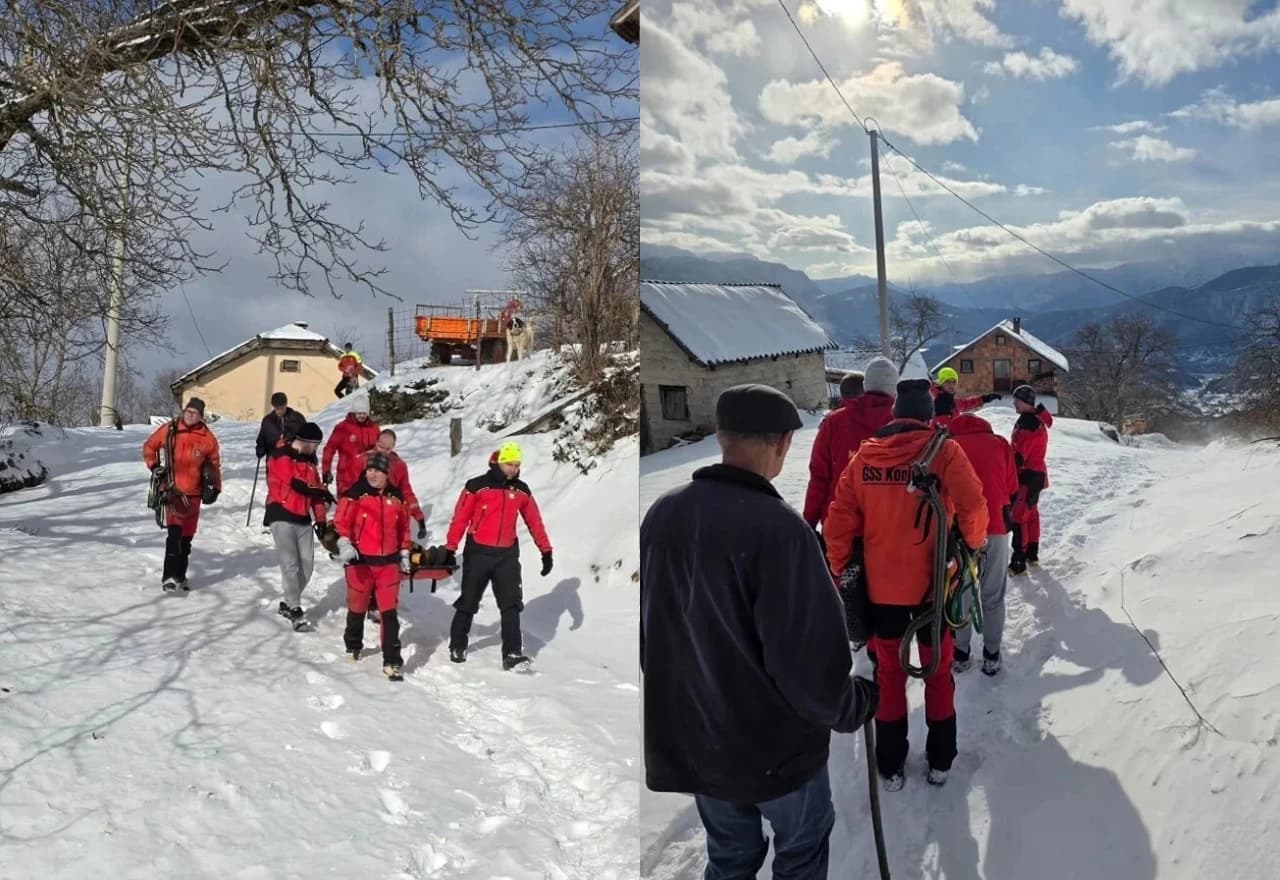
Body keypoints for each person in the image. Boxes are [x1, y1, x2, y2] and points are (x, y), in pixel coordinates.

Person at [641, 384, 878, 878]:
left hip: (701, 743)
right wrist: (856, 702)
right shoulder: (782, 532)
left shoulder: (663, 514)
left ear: (722, 436)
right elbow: (807, 667)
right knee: (801, 852)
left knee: (730, 858)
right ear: (780, 442)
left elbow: (653, 633)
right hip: (776, 754)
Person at [823, 378, 987, 789]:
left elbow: (837, 523)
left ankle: (891, 764)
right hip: (935, 587)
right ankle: (940, 761)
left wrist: (843, 572)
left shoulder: (864, 458)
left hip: (882, 592)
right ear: (929, 416)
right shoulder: (945, 451)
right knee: (938, 672)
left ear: (895, 414)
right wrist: (973, 547)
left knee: (890, 676)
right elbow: (973, 507)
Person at [442, 441, 553, 670]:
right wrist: (450, 548)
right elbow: (460, 518)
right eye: (510, 464)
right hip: (478, 553)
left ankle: (512, 654)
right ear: (499, 463)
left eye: (517, 464)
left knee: (511, 605)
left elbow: (534, 521)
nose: (514, 468)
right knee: (468, 602)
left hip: (507, 557)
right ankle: (458, 645)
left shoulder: (521, 490)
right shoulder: (477, 486)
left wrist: (546, 551)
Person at [947, 412, 1019, 676]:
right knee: (993, 594)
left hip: (960, 530)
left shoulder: (948, 446)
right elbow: (1012, 487)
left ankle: (961, 653)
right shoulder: (1000, 444)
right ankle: (991, 654)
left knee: (960, 592)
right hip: (996, 526)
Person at [333, 452, 411, 680]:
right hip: (360, 562)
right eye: (369, 470)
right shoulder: (356, 494)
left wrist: (405, 551)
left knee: (389, 613)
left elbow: (403, 528)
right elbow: (341, 521)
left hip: (388, 564)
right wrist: (345, 543)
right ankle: (353, 644)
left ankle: (392, 660)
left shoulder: (397, 498)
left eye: (377, 470)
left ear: (387, 473)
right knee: (357, 607)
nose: (372, 474)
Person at [803, 357, 898, 533]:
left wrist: (809, 522)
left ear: (866, 385)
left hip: (839, 524)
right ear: (894, 389)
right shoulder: (904, 424)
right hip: (888, 528)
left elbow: (819, 476)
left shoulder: (835, 421)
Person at [142, 398, 222, 592]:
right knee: (174, 535)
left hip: (194, 495)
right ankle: (168, 576)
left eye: (195, 413)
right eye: (188, 411)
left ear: (201, 417)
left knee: (186, 540)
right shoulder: (170, 430)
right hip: (172, 491)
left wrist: (215, 488)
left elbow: (214, 465)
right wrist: (154, 466)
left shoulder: (207, 438)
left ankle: (180, 576)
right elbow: (149, 447)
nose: (190, 415)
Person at [264, 421, 334, 630]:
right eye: (315, 444)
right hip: (281, 512)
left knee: (307, 567)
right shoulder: (280, 455)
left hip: (303, 517)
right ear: (306, 441)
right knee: (290, 565)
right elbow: (296, 483)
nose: (316, 449)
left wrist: (321, 521)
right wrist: (320, 490)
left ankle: (288, 602)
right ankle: (295, 609)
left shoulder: (310, 463)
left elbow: (316, 496)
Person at [1009, 384, 1054, 574]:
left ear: (1026, 402)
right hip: (1037, 474)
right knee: (1031, 514)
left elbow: (1019, 456)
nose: (1014, 403)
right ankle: (1032, 554)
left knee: (1019, 517)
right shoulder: (1036, 418)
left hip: (1027, 475)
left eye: (1017, 400)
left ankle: (1019, 562)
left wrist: (1006, 467)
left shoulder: (1028, 424)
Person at [361, 429, 427, 541]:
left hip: (388, 513)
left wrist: (419, 518)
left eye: (387, 449)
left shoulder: (399, 465)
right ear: (376, 442)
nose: (383, 451)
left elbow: (406, 492)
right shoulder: (362, 460)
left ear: (393, 447)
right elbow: (349, 489)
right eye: (381, 447)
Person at [322, 397, 381, 495]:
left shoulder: (373, 428)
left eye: (364, 413)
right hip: (347, 476)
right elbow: (329, 449)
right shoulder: (343, 428)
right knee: (347, 502)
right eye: (359, 413)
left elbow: (381, 448)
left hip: (369, 474)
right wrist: (326, 471)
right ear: (354, 412)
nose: (362, 416)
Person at [932, 366, 1001, 419]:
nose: (951, 385)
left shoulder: (952, 401)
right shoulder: (932, 398)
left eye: (954, 382)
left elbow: (966, 403)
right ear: (941, 383)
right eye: (948, 382)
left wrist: (984, 398)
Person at [255, 392, 306, 460]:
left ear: (285, 404)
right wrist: (260, 449)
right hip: (273, 459)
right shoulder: (268, 421)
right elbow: (262, 438)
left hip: (294, 460)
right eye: (276, 408)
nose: (279, 411)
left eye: (282, 408)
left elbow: (307, 438)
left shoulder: (297, 418)